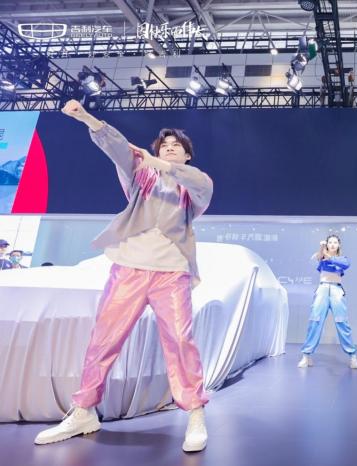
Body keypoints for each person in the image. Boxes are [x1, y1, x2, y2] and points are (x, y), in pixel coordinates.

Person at [34, 99, 214, 453]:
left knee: (180, 342)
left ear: (187, 155)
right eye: (164, 145)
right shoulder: (139, 175)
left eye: (177, 146)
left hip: (172, 272)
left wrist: (163, 164)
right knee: (103, 340)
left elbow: (202, 184)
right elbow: (117, 147)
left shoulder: (193, 188)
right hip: (129, 267)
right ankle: (84, 410)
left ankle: (195, 411)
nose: (170, 148)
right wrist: (86, 117)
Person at [298, 235, 357, 369]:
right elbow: (317, 258)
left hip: (337, 289)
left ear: (339, 245)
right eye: (330, 242)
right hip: (323, 288)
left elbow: (346, 265)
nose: (332, 244)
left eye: (335, 242)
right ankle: (306, 355)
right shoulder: (321, 256)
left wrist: (329, 257)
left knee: (342, 322)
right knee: (315, 320)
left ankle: (352, 355)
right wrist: (322, 249)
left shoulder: (342, 259)